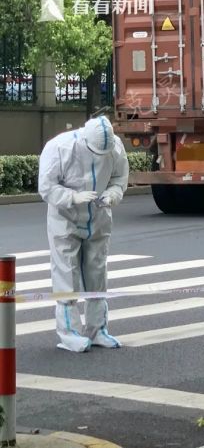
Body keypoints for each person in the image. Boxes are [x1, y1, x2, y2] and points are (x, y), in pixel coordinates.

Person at [38, 116, 129, 352]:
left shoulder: (115, 146)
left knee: (97, 274)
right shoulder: (60, 147)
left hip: (98, 218)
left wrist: (112, 195)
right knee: (67, 275)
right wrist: (72, 197)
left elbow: (120, 178)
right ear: (85, 140)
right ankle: (69, 334)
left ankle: (98, 330)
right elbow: (46, 186)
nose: (101, 156)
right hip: (65, 220)